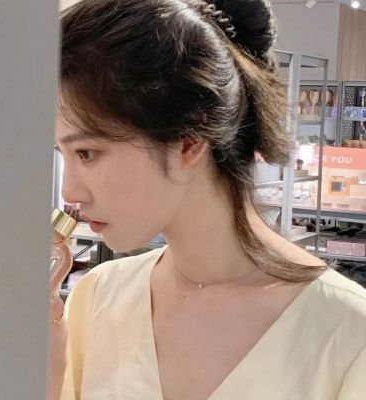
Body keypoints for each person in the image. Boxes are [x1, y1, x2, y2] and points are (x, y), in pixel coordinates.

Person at [49, 1, 366, 399]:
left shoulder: (347, 333)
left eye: (87, 153)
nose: (70, 192)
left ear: (188, 141)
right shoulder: (98, 296)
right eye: (63, 155)